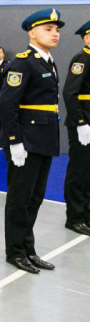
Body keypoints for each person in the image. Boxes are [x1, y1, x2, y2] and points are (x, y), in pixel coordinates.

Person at [0, 8, 63, 274]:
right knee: (19, 198)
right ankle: (15, 251)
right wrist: (14, 141)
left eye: (57, 29)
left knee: (35, 197)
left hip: (44, 138)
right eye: (48, 29)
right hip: (26, 140)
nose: (55, 33)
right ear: (32, 32)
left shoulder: (47, 61)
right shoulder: (23, 61)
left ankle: (28, 248)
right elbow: (7, 102)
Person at [62, 20, 90, 236]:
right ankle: (74, 217)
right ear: (87, 38)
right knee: (79, 171)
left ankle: (85, 212)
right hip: (84, 124)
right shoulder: (81, 59)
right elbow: (70, 93)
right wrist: (80, 122)